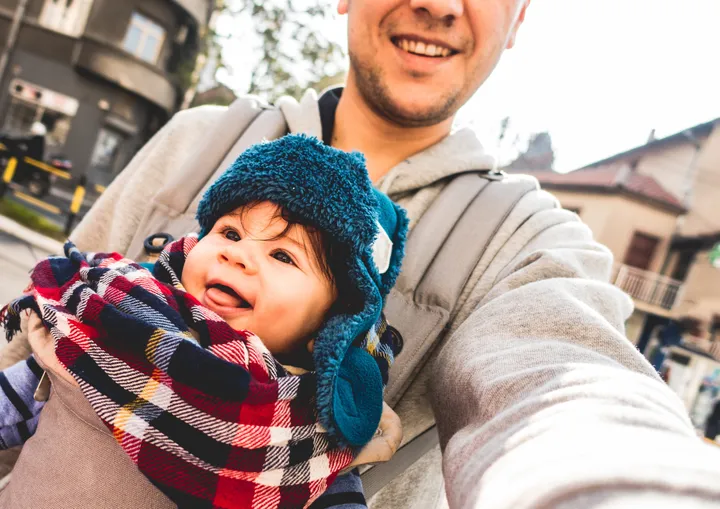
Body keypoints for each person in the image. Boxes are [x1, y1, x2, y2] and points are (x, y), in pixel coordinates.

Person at [3, 0, 720, 507]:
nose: (437, 4)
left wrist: (631, 485)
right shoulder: (200, 138)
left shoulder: (525, 243)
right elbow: (31, 348)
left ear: (521, 12)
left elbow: (566, 385)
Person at [0, 135, 406, 508]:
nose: (237, 255)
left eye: (283, 256)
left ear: (333, 326)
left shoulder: (308, 435)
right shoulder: (111, 324)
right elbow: (12, 404)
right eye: (230, 233)